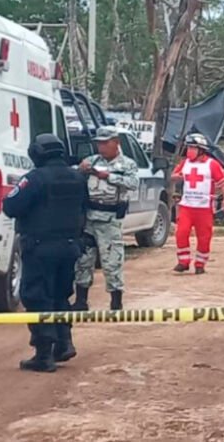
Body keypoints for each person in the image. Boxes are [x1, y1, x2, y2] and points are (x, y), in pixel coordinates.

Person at [2, 134, 89, 372]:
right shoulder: (77, 178)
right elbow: (85, 209)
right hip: (70, 246)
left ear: (37, 153)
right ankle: (64, 343)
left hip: (41, 248)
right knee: (61, 295)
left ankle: (43, 355)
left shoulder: (35, 179)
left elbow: (10, 206)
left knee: (37, 297)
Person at [74, 126, 138, 311]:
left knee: (112, 261)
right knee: (83, 260)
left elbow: (133, 183)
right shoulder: (91, 161)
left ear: (116, 142)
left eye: (105, 143)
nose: (101, 147)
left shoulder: (127, 164)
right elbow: (76, 177)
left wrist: (109, 176)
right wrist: (81, 170)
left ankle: (116, 303)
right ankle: (81, 301)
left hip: (110, 218)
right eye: (98, 143)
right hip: (88, 218)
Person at [171, 133, 224, 274]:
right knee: (181, 233)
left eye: (193, 148)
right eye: (189, 148)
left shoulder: (212, 164)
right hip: (186, 206)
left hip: (204, 207)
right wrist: (176, 177)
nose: (189, 151)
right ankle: (183, 262)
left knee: (204, 237)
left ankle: (200, 264)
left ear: (201, 149)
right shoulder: (185, 163)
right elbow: (174, 175)